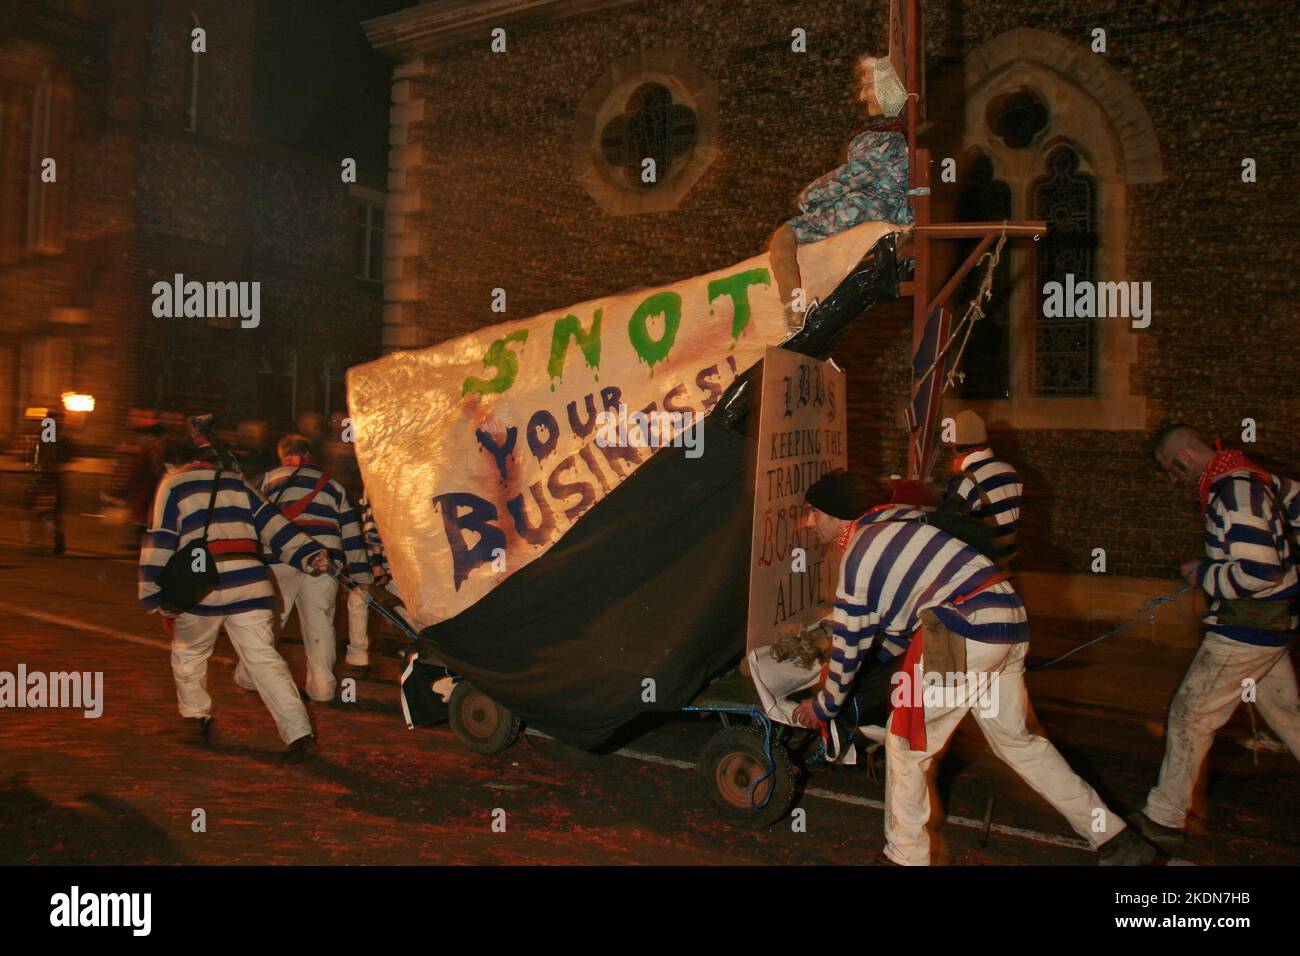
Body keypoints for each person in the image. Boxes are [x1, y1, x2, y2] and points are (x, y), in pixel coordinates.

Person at [789, 469, 1156, 865]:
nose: (810, 522)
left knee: (907, 743)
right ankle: (1117, 839)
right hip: (1005, 622)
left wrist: (825, 705)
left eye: (815, 513)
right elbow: (895, 630)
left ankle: (904, 857)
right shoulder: (900, 526)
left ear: (840, 515)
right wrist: (866, 670)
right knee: (1019, 743)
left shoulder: (860, 554)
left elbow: (850, 644)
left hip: (960, 630)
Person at [1130, 424, 1300, 852]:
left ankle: (1164, 817)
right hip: (1273, 626)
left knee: (1191, 714)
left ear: (1185, 458)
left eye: (1171, 470)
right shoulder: (1252, 477)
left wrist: (1203, 574)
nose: (1174, 480)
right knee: (1290, 718)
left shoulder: (1232, 491)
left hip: (1247, 628)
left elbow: (1261, 572)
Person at [139, 428, 327, 763]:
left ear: (170, 463)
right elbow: (273, 524)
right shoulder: (237, 482)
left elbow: (161, 541)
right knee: (265, 660)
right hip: (251, 583)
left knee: (190, 653)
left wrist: (154, 594)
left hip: (201, 587)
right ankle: (299, 735)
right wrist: (309, 554)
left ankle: (196, 718)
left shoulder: (172, 485)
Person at [769, 52, 914, 328]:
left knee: (784, 235)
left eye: (869, 86)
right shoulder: (900, 136)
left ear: (889, 87)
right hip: (882, 210)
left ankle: (793, 311)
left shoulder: (886, 137)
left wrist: (811, 194)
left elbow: (855, 175)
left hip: (863, 209)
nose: (862, 95)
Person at [254, 434, 371, 701]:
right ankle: (323, 689)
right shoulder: (332, 484)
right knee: (320, 624)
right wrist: (361, 574)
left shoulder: (266, 479)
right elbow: (351, 531)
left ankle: (254, 678)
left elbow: (253, 520)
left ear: (282, 454)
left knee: (269, 623)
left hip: (279, 558)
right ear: (309, 455)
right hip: (324, 558)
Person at [942, 409, 1023, 571]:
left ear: (957, 447)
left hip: (979, 568)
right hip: (1008, 562)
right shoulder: (1009, 471)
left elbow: (948, 531)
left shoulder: (965, 480)